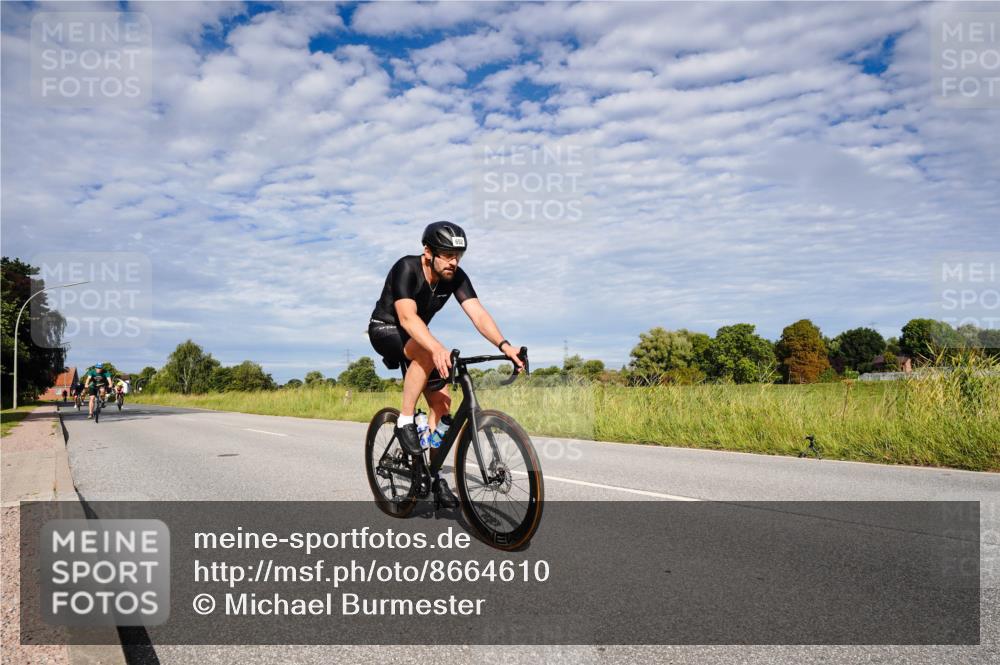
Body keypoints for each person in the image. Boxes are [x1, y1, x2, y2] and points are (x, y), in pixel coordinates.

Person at [368, 221, 523, 508]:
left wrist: (504, 345)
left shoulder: (455, 276)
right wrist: (436, 347)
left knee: (442, 405)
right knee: (428, 354)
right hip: (386, 329)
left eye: (458, 256)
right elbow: (406, 318)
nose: (454, 262)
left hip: (417, 336)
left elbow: (477, 313)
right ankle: (404, 422)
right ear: (428, 252)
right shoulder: (407, 267)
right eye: (448, 255)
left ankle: (432, 473)